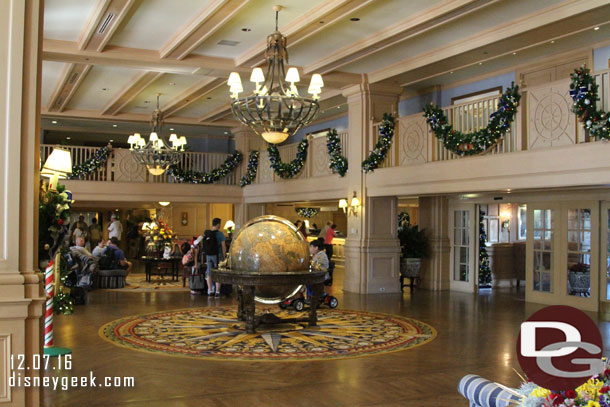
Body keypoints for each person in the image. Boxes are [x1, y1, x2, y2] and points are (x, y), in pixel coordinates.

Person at [203, 218, 226, 297]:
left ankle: (210, 291)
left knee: (209, 273)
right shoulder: (220, 234)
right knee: (217, 272)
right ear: (218, 224)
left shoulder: (208, 233)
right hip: (217, 255)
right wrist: (224, 256)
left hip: (208, 255)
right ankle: (217, 291)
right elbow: (223, 246)